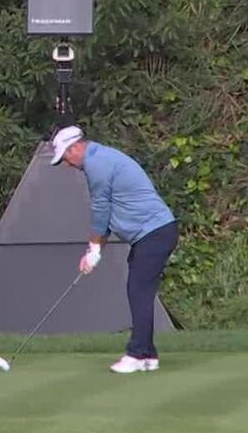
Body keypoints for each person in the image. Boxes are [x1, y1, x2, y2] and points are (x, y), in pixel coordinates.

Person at [51, 125, 178, 374]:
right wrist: (95, 250)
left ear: (76, 147)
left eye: (65, 157)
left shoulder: (97, 164)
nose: (66, 164)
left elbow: (101, 211)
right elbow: (107, 213)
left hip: (155, 232)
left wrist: (94, 249)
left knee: (138, 291)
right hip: (154, 233)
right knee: (139, 291)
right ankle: (148, 355)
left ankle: (137, 354)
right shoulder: (100, 158)